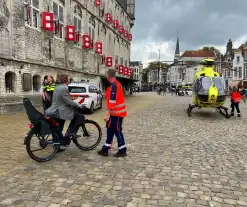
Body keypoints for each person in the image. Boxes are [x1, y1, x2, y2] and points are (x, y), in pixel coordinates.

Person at [45, 74, 85, 150]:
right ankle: (70, 134)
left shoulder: (57, 87)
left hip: (55, 110)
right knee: (79, 117)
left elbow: (63, 99)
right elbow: (68, 101)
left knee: (59, 128)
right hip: (61, 111)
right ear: (66, 80)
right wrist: (78, 106)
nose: (69, 80)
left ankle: (57, 145)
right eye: (69, 79)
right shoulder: (64, 88)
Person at [98, 69, 127, 157]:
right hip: (115, 114)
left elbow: (112, 101)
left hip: (117, 114)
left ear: (108, 76)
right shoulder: (115, 85)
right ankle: (105, 149)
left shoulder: (114, 86)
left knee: (117, 131)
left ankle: (122, 150)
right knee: (110, 129)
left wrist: (107, 114)